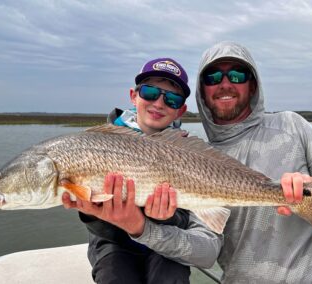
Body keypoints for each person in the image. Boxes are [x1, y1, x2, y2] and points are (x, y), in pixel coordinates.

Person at [193, 41, 312, 283]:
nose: (225, 84)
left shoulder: (292, 126)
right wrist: (144, 229)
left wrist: (309, 195)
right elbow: (205, 251)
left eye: (236, 74)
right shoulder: (195, 159)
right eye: (212, 77)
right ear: (201, 91)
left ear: (252, 86)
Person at [62, 58, 222, 284]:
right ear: (133, 95)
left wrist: (167, 218)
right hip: (113, 243)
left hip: (165, 241)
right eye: (149, 92)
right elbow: (101, 231)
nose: (159, 103)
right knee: (113, 276)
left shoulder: (188, 152)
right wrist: (92, 211)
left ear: (181, 111)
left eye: (172, 99)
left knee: (171, 277)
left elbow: (185, 219)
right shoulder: (97, 142)